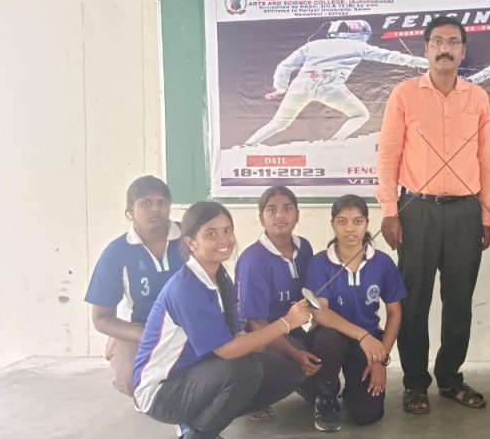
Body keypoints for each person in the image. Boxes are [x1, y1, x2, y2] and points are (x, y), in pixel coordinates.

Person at [376, 15, 490, 414]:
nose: (445, 48)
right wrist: (390, 212)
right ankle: (415, 383)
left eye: (453, 42)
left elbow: (487, 161)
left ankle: (450, 378)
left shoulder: (478, 98)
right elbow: (388, 156)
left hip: (465, 211)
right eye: (438, 42)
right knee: (414, 301)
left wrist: (486, 216)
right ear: (426, 48)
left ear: (463, 51)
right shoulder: (404, 94)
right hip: (417, 211)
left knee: (459, 300)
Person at [133, 202, 312, 439]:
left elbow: (237, 335)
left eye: (227, 230)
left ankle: (201, 419)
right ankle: (198, 433)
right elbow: (227, 351)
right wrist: (286, 322)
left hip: (200, 371)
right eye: (211, 234)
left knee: (286, 368)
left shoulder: (219, 276)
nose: (224, 239)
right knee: (244, 369)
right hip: (161, 391)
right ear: (191, 242)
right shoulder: (186, 288)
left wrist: (286, 350)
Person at [238, 19, 429, 146]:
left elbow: (285, 66)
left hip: (300, 85)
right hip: (330, 86)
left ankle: (248, 144)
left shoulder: (313, 44)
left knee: (279, 122)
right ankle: (335, 142)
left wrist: (281, 87)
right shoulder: (359, 46)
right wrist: (426, 63)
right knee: (360, 114)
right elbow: (392, 57)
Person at [304, 195, 406, 431]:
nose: (350, 228)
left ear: (367, 223)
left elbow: (395, 313)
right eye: (342, 221)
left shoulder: (382, 263)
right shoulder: (319, 262)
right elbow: (320, 313)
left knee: (367, 414)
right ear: (333, 224)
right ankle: (326, 396)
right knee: (329, 340)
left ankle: (352, 390)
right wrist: (362, 335)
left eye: (357, 221)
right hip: (331, 339)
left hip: (367, 344)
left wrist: (380, 359)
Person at [84, 176, 183, 397]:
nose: (155, 209)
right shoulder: (117, 252)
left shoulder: (190, 237)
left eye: (161, 202)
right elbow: (101, 318)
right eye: (146, 203)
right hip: (139, 329)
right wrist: (146, 334)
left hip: (188, 323)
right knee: (133, 378)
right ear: (130, 210)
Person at [234, 186, 318, 420]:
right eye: (271, 210)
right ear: (261, 218)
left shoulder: (304, 248)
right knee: (293, 367)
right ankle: (251, 399)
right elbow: (255, 323)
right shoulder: (253, 259)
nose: (280, 215)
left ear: (297, 215)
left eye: (287, 209)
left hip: (293, 331)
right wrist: (295, 354)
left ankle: (297, 378)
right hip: (261, 338)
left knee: (320, 380)